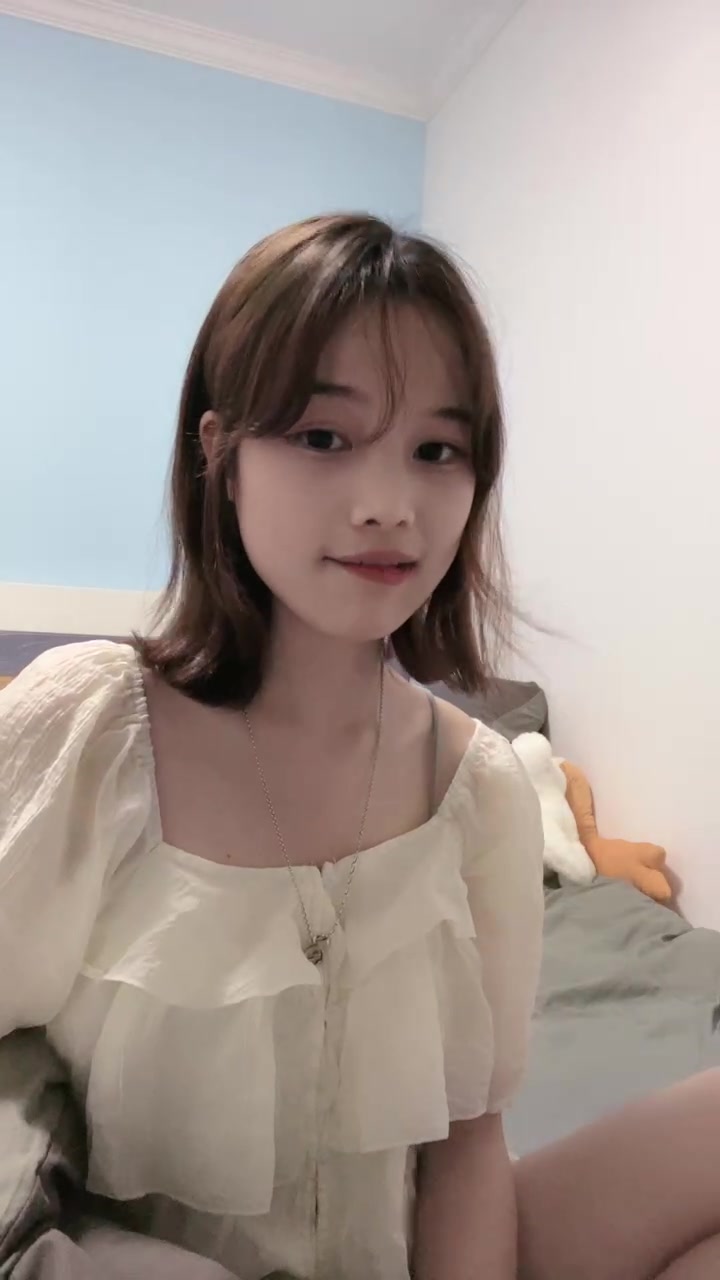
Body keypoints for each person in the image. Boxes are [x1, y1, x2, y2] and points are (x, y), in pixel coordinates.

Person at [1, 213, 718, 1280]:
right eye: (324, 438)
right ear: (221, 456)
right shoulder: (93, 727)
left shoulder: (478, 786)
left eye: (436, 450)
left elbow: (468, 1142)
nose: (390, 506)